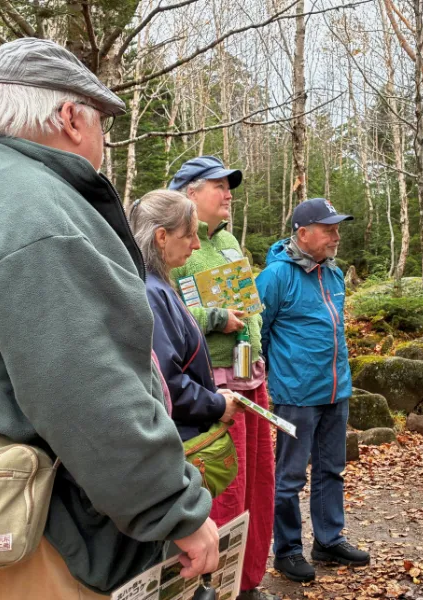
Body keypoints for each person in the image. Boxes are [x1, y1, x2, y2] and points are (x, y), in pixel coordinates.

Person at [0, 38, 219, 598]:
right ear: (69, 117)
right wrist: (173, 508)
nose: (103, 142)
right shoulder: (32, 204)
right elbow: (89, 388)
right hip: (41, 535)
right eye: (101, 124)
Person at [169, 157, 276, 600]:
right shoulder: (171, 242)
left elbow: (247, 300)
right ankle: (212, 587)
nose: (228, 193)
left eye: (230, 185)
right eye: (218, 185)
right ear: (190, 193)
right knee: (223, 489)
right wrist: (216, 317)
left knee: (258, 484)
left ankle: (247, 581)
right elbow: (163, 311)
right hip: (212, 385)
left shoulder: (230, 239)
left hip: (250, 375)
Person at [256, 198, 370, 583]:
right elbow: (259, 334)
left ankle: (328, 540)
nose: (336, 236)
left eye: (338, 228)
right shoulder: (275, 276)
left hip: (336, 389)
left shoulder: (333, 273)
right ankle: (286, 550)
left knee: (331, 470)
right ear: (303, 234)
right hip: (296, 393)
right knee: (289, 476)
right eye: (329, 229)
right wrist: (276, 380)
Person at [127, 189, 244, 440]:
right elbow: (167, 383)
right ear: (161, 237)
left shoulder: (155, 284)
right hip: (178, 436)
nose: (197, 244)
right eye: (189, 235)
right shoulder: (151, 292)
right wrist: (216, 405)